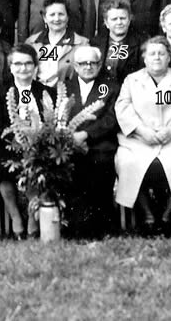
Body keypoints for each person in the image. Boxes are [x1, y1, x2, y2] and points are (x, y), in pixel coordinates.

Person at [115, 37, 171, 236]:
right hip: (139, 139)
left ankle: (167, 214)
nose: (157, 57)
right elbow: (123, 108)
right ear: (144, 58)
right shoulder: (131, 80)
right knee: (127, 162)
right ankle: (147, 215)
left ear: (168, 58)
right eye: (151, 53)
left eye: (161, 53)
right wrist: (140, 130)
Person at [0, 44, 57, 238]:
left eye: (28, 64)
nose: (23, 69)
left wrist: (35, 140)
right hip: (10, 145)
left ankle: (31, 217)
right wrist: (17, 139)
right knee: (0, 167)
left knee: (37, 165)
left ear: (36, 67)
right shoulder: (0, 93)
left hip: (40, 145)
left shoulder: (47, 92)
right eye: (18, 64)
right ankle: (15, 217)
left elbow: (52, 121)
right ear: (11, 67)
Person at [64, 46, 121, 238]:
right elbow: (60, 117)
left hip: (101, 142)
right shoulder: (64, 86)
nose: (88, 67)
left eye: (93, 63)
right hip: (70, 142)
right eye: (83, 63)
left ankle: (101, 228)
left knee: (101, 168)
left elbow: (111, 119)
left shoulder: (112, 87)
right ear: (75, 66)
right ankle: (76, 227)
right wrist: (73, 138)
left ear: (99, 65)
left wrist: (86, 135)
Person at [24, 0, 90, 88]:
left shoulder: (82, 44)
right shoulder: (31, 42)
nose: (57, 19)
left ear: (67, 17)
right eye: (52, 15)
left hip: (65, 95)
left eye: (61, 14)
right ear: (44, 18)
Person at [95, 0, 143, 84]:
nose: (119, 22)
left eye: (123, 18)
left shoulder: (141, 43)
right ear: (106, 22)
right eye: (114, 19)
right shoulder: (95, 43)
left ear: (129, 20)